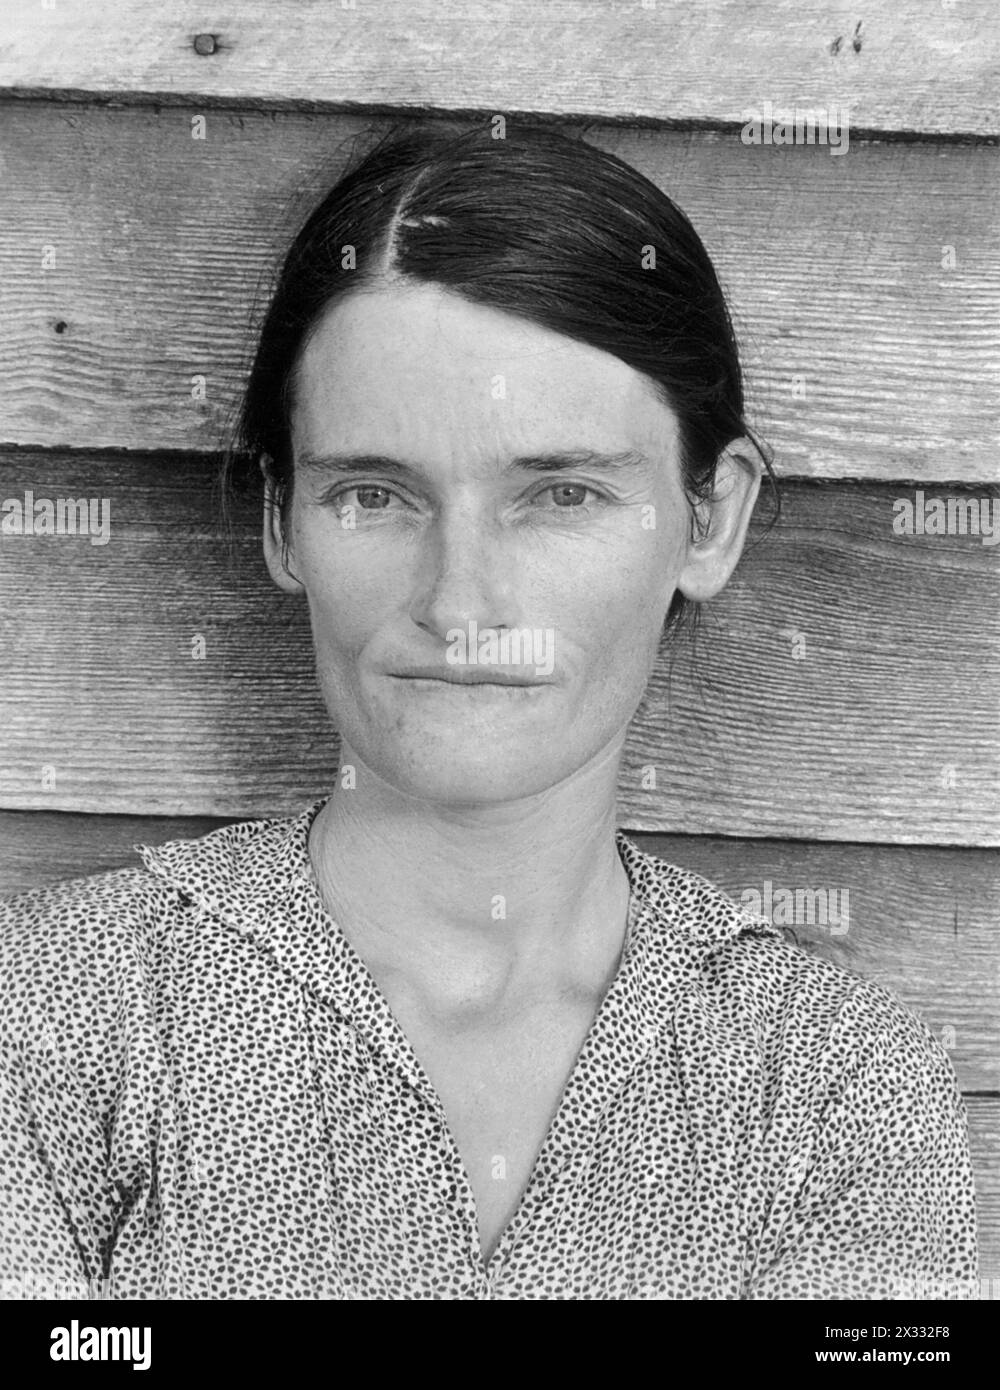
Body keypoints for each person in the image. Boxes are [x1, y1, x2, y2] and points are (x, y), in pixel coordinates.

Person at [0, 124, 978, 1300]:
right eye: (373, 492)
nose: (461, 601)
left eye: (559, 494)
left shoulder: (833, 1085)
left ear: (708, 519)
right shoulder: (51, 1016)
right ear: (280, 521)